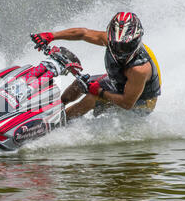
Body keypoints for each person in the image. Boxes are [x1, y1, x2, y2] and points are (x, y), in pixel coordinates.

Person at [31, 12, 161, 120]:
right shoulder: (110, 40)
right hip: (120, 84)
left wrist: (100, 92)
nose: (120, 50)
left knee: (92, 98)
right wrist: (51, 36)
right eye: (117, 45)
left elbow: (127, 103)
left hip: (141, 102)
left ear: (137, 40)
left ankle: (58, 125)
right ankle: (53, 110)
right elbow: (83, 33)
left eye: (126, 46)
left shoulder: (139, 70)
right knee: (80, 84)